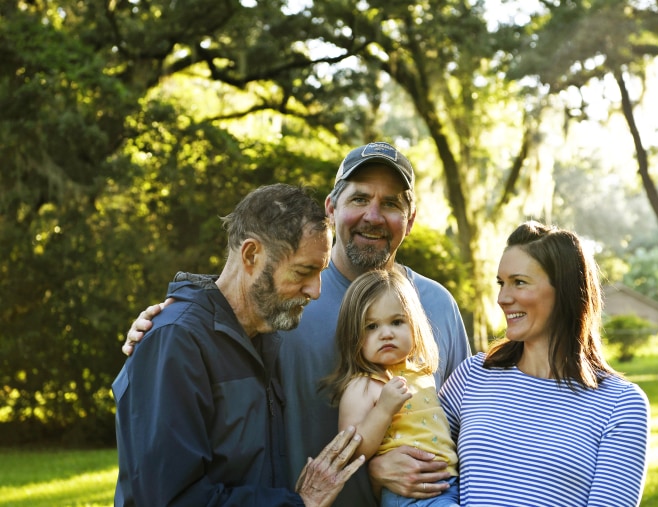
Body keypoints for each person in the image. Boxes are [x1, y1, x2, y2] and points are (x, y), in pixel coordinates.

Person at [122, 142, 472, 506]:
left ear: (410, 220)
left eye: (391, 203)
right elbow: (225, 311)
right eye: (359, 199)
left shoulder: (438, 306)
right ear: (331, 209)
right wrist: (168, 318)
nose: (373, 215)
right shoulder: (281, 306)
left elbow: (464, 427)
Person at [113, 184, 365, 507]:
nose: (316, 291)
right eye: (304, 271)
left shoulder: (267, 334)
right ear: (251, 255)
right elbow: (171, 499)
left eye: (321, 272)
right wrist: (297, 504)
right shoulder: (176, 341)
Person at [437, 220, 650, 506]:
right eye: (501, 283)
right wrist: (383, 468)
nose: (502, 298)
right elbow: (416, 455)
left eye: (519, 282)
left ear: (564, 291)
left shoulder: (620, 405)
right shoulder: (473, 375)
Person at [324, 269, 459, 506]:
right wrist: (384, 410)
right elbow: (351, 451)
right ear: (353, 335)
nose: (386, 334)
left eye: (397, 322)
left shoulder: (423, 375)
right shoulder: (364, 385)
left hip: (448, 485)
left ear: (414, 326)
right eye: (371, 326)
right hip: (408, 494)